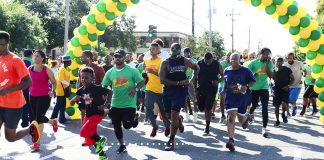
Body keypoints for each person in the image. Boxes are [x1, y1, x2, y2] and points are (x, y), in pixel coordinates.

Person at [0, 31, 40, 144]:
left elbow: (28, 82)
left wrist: (8, 90)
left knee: (10, 137)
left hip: (13, 105)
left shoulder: (15, 60)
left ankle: (31, 129)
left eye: (1, 44)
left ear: (6, 44)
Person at [102, 49, 144, 153]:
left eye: (120, 56)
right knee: (116, 126)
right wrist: (105, 93)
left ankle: (134, 117)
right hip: (115, 103)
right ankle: (122, 145)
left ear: (124, 58)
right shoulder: (110, 72)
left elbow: (142, 82)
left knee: (127, 126)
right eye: (116, 56)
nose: (118, 58)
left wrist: (136, 89)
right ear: (113, 58)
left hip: (129, 104)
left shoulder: (132, 70)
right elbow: (104, 85)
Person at [159, 43, 199, 151]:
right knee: (168, 116)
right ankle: (179, 121)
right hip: (168, 90)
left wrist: (191, 80)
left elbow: (196, 67)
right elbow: (162, 80)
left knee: (174, 114)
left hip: (181, 90)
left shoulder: (185, 60)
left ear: (180, 50)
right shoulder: (165, 62)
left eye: (177, 49)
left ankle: (171, 140)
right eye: (173, 48)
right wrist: (177, 82)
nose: (175, 50)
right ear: (170, 49)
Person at [71, 67, 109, 160]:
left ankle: (101, 140)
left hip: (97, 114)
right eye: (82, 77)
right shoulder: (81, 90)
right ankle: (102, 155)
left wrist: (105, 104)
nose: (83, 79)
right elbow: (77, 97)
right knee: (90, 138)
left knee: (83, 132)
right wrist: (73, 100)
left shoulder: (96, 88)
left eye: (86, 78)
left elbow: (110, 92)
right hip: (88, 115)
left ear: (92, 78)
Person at [223, 53, 255, 151]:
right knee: (231, 117)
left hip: (242, 98)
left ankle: (245, 119)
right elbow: (226, 82)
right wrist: (223, 91)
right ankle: (231, 140)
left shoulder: (245, 70)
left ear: (239, 60)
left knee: (241, 119)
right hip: (230, 98)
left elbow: (253, 81)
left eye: (235, 59)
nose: (233, 61)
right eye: (231, 59)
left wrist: (246, 86)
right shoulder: (226, 70)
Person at [28, 50, 58, 150]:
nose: (35, 57)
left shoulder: (46, 69)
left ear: (42, 58)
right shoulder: (29, 69)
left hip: (44, 96)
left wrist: (52, 91)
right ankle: (52, 122)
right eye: (34, 56)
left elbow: (54, 82)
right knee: (35, 117)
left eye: (38, 56)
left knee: (39, 119)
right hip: (32, 96)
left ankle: (37, 142)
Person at [143, 42, 171, 137]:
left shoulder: (162, 61)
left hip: (160, 89)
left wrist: (153, 71)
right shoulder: (146, 61)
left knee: (163, 112)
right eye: (150, 49)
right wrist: (144, 76)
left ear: (158, 50)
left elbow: (163, 76)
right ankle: (155, 126)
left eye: (154, 49)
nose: (151, 51)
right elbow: (144, 73)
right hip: (149, 88)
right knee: (148, 107)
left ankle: (168, 126)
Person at [248, 47, 273, 138]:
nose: (266, 56)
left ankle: (264, 128)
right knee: (254, 105)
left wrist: (266, 65)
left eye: (268, 54)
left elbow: (271, 76)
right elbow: (247, 74)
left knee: (265, 107)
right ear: (260, 54)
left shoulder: (269, 63)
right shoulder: (253, 63)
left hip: (264, 87)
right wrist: (254, 75)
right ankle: (250, 113)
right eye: (265, 54)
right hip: (254, 88)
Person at [196, 52, 223, 135]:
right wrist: (195, 89)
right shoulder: (199, 64)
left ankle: (207, 127)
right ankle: (205, 113)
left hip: (212, 89)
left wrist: (217, 81)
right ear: (203, 58)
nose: (207, 63)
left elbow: (223, 75)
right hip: (201, 88)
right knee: (201, 108)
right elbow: (194, 77)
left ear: (212, 59)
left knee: (208, 108)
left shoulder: (217, 64)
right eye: (206, 61)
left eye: (209, 61)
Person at [78, 50, 105, 125]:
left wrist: (101, 95)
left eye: (82, 56)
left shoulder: (99, 68)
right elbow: (79, 82)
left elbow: (104, 83)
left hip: (95, 97)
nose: (81, 58)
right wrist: (78, 94)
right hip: (84, 96)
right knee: (83, 112)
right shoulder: (81, 69)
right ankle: (84, 129)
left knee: (93, 116)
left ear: (89, 57)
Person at [272, 57, 294, 126]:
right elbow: (271, 79)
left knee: (284, 103)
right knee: (276, 106)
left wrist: (288, 86)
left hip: (285, 89)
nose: (279, 62)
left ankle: (283, 113)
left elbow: (292, 79)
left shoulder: (287, 69)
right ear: (275, 62)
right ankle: (277, 120)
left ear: (282, 62)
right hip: (276, 90)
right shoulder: (274, 70)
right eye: (277, 61)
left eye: (280, 61)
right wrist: (272, 83)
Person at [50, 56, 72, 124]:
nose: (71, 62)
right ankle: (52, 119)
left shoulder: (65, 68)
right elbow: (61, 80)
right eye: (70, 61)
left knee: (62, 105)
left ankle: (62, 119)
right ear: (67, 61)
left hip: (63, 90)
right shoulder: (62, 69)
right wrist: (68, 84)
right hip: (60, 90)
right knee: (58, 105)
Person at [183, 47, 199, 123]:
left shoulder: (193, 60)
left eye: (188, 52)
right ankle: (187, 115)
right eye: (186, 52)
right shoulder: (181, 60)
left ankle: (195, 115)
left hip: (191, 82)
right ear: (183, 53)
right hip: (182, 82)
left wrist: (191, 80)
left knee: (193, 99)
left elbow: (196, 70)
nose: (187, 53)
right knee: (185, 100)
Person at [21, 49, 34, 127]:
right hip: (30, 88)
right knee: (31, 106)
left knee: (24, 105)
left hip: (21, 87)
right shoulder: (32, 62)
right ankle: (32, 122)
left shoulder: (20, 61)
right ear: (30, 55)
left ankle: (24, 122)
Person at [217, 52, 231, 124]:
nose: (228, 57)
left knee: (229, 102)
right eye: (227, 56)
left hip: (231, 86)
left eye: (230, 56)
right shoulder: (221, 63)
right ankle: (222, 115)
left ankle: (229, 116)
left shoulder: (234, 63)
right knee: (222, 101)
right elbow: (217, 73)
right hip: (222, 85)